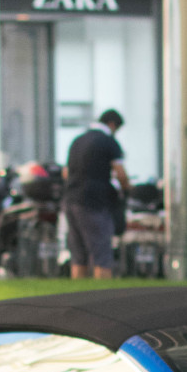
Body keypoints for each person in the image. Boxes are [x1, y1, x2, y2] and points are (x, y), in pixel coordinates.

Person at [63, 109, 130, 279]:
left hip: (71, 199)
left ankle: (77, 296)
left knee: (78, 255)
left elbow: (66, 172)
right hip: (93, 202)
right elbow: (120, 173)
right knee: (102, 253)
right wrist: (127, 189)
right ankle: (102, 297)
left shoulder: (77, 140)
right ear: (112, 124)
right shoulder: (108, 142)